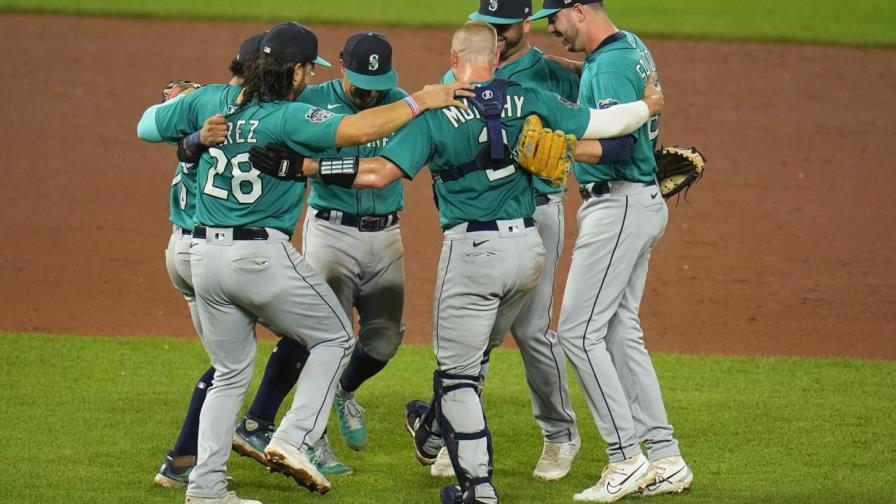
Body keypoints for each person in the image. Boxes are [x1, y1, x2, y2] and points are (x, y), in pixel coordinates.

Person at [254, 20, 662, 504]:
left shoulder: (436, 110)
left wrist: (304, 167)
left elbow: (379, 173)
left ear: (453, 59)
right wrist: (648, 106)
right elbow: (605, 125)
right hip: (528, 252)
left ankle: (477, 485)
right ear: (494, 59)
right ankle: (433, 433)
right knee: (482, 348)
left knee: (459, 374)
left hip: (472, 254)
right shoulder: (528, 98)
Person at [137, 21, 471, 504]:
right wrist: (423, 99)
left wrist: (191, 135)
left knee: (230, 373)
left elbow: (145, 125)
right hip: (258, 255)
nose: (309, 79)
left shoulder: (207, 101)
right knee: (335, 337)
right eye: (305, 70)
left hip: (201, 255)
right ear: (294, 71)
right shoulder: (287, 117)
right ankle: (295, 438)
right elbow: (357, 129)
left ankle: (206, 490)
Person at [531, 1, 694, 501]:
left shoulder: (610, 65)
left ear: (579, 10)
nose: (553, 29)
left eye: (555, 18)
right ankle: (666, 458)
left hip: (619, 203)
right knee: (621, 330)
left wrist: (557, 145)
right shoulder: (629, 47)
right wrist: (570, 69)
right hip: (639, 204)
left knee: (578, 333)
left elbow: (619, 147)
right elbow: (607, 83)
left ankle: (625, 458)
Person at [230, 31, 411, 476]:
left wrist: (309, 167)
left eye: (377, 82)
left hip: (386, 236)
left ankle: (345, 392)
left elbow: (384, 173)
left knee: (384, 340)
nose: (369, 91)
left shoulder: (401, 101)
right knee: (318, 335)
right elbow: (251, 112)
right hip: (331, 232)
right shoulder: (310, 102)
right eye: (359, 81)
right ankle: (311, 439)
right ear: (340, 66)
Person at [434, 0, 584, 481]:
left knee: (532, 330)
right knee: (471, 334)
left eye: (504, 26)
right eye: (488, 25)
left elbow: (594, 117)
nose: (496, 34)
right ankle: (456, 434)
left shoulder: (556, 74)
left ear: (525, 24)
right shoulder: (462, 69)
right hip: (478, 220)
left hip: (537, 210)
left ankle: (560, 436)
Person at [153, 31, 265, 489]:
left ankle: (182, 459)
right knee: (233, 365)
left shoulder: (198, 133)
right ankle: (201, 459)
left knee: (227, 362)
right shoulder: (231, 129)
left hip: (180, 249)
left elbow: (155, 124)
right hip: (207, 249)